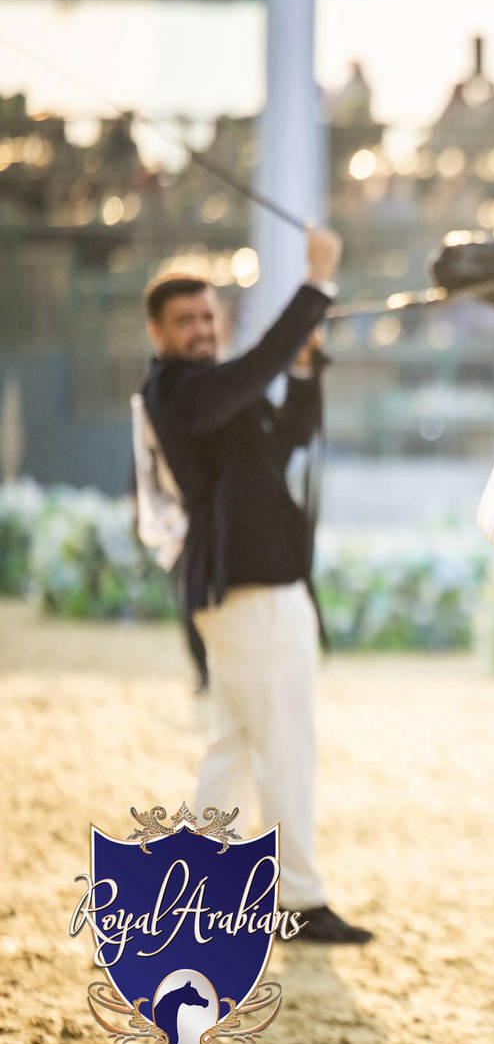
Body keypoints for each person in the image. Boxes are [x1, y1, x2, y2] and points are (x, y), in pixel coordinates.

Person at [139, 227, 371, 945]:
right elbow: (255, 366)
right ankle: (297, 898)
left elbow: (285, 439)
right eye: (186, 321)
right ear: (158, 333)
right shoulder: (178, 392)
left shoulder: (215, 391)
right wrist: (317, 285)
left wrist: (303, 371)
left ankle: (199, 892)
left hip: (255, 592)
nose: (201, 328)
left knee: (235, 746)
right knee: (284, 745)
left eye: (208, 316)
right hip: (252, 594)